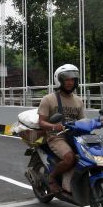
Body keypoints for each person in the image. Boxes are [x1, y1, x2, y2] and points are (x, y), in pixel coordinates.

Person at [38, 63, 85, 194]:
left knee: (89, 157)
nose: (70, 82)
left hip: (74, 135)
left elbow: (82, 121)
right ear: (59, 80)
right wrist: (54, 126)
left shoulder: (79, 101)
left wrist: (97, 122)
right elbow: (41, 122)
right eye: (66, 79)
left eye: (72, 80)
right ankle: (52, 177)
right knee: (70, 157)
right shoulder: (48, 99)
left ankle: (74, 182)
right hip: (56, 136)